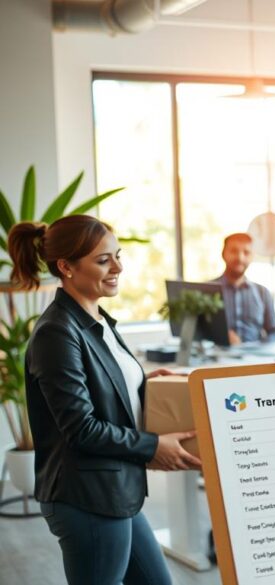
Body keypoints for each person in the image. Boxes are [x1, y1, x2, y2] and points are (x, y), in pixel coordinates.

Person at [9, 215, 201, 585]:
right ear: (65, 267)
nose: (118, 268)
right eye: (103, 260)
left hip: (114, 490)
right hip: (86, 498)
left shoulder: (98, 319)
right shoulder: (56, 332)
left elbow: (101, 389)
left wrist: (141, 384)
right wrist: (152, 447)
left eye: (118, 255)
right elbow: (81, 428)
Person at [211, 232, 275, 345]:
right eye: (234, 251)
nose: (240, 258)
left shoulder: (262, 292)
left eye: (246, 252)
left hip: (255, 358)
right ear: (223, 254)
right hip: (217, 358)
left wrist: (259, 346)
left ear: (252, 256)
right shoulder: (207, 291)